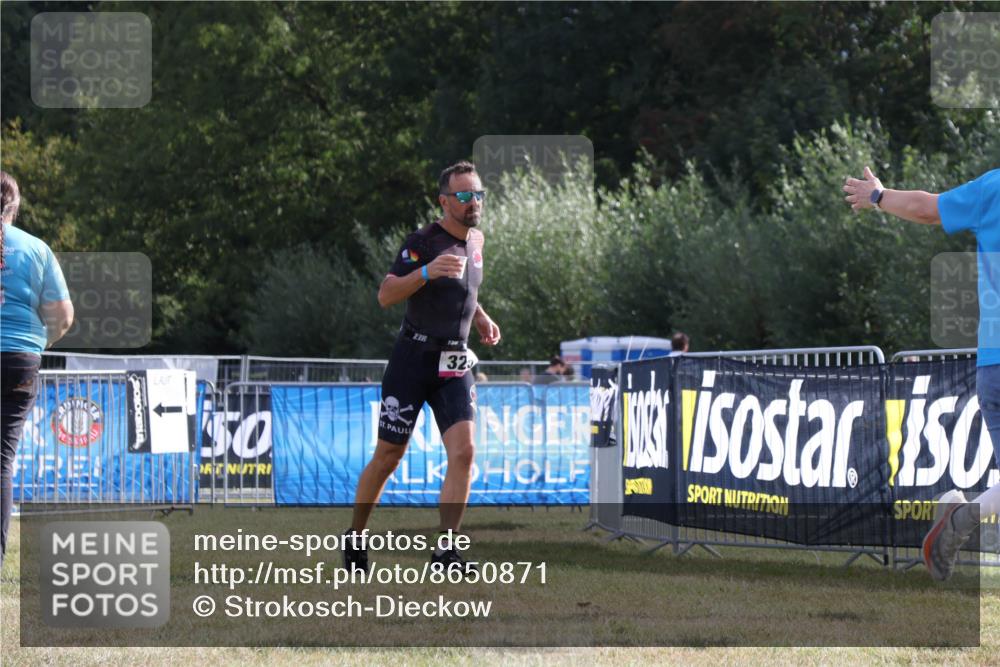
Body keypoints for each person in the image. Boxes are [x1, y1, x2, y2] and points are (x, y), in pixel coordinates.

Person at [844, 166, 1000, 581]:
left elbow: (927, 208)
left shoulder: (993, 188)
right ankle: (958, 519)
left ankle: (957, 519)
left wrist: (879, 196)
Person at [344, 161, 500, 573]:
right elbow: (386, 294)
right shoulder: (422, 242)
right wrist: (426, 272)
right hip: (412, 359)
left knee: (465, 453)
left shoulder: (477, 240)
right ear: (444, 201)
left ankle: (446, 552)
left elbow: (466, 287)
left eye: (478, 195)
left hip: (454, 362)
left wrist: (480, 316)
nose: (473, 203)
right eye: (464, 196)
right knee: (389, 456)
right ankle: (356, 536)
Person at [0, 172, 73, 567]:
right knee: (1, 463)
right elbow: (62, 317)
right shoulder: (36, 249)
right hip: (19, 360)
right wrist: (38, 345)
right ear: (15, 206)